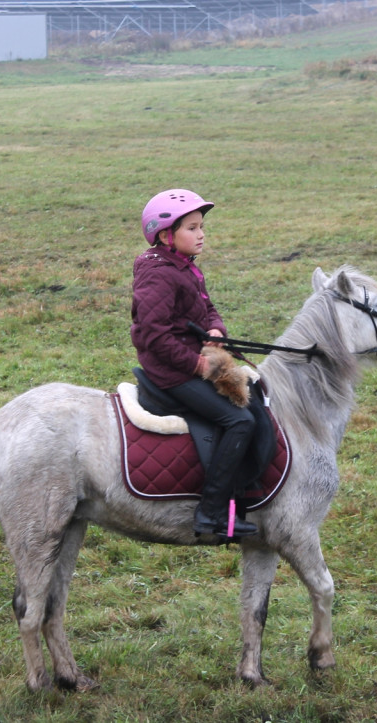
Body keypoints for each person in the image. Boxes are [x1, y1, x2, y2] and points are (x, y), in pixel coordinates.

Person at [131, 189, 258, 538]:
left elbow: (206, 308)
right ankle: (211, 513)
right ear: (165, 234)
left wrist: (216, 329)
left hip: (192, 357)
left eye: (202, 227)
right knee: (239, 421)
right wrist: (200, 367)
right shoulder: (158, 274)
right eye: (192, 227)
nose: (201, 234)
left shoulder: (184, 267)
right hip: (171, 372)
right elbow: (153, 338)